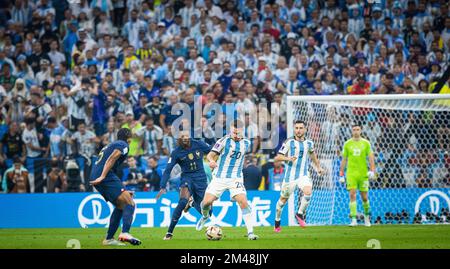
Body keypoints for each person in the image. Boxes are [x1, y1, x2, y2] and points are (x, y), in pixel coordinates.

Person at [196, 120, 259, 240]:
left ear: (242, 131)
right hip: (220, 177)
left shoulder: (246, 143)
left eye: (237, 133)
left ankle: (250, 233)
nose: (235, 135)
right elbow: (210, 155)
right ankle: (205, 217)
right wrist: (212, 161)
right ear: (230, 130)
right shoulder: (223, 141)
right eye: (233, 132)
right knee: (206, 203)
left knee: (244, 202)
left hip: (235, 178)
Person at [89, 128, 141, 246]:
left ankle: (109, 239)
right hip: (105, 176)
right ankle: (125, 232)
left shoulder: (111, 144)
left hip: (97, 175)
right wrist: (103, 176)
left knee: (120, 206)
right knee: (130, 203)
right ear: (129, 137)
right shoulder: (123, 145)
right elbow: (112, 158)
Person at [156, 130, 211, 240]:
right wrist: (162, 186)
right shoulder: (176, 152)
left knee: (208, 212)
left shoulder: (199, 144)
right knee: (182, 202)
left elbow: (214, 151)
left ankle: (191, 203)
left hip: (201, 179)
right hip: (187, 178)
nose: (185, 138)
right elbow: (168, 170)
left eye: (187, 135)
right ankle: (169, 233)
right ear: (178, 139)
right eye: (182, 136)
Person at [273, 120, 324, 232]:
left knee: (308, 191)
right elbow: (277, 157)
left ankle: (300, 214)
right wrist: (288, 158)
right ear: (294, 129)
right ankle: (277, 221)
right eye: (296, 128)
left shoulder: (309, 143)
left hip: (303, 174)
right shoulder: (288, 142)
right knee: (282, 201)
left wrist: (318, 167)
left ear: (305, 129)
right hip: (289, 177)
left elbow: (313, 155)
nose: (298, 130)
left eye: (301, 128)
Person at [339, 123, 376, 227]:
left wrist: (372, 171)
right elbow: (344, 160)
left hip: (363, 173)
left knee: (364, 197)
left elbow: (371, 157)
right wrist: (341, 174)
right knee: (352, 194)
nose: (356, 131)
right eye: (354, 129)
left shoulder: (366, 143)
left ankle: (367, 218)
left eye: (357, 129)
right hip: (351, 173)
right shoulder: (347, 144)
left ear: (361, 131)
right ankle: (354, 219)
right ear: (352, 131)